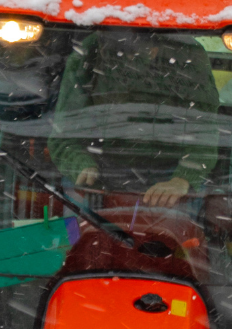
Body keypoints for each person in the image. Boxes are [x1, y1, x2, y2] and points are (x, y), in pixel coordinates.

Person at [47, 30, 220, 207]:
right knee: (79, 225)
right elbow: (64, 136)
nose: (129, 61)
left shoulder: (189, 55)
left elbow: (204, 131)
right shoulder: (90, 52)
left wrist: (183, 179)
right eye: (120, 56)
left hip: (171, 168)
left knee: (179, 223)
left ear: (155, 48)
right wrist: (81, 165)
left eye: (136, 54)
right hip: (101, 169)